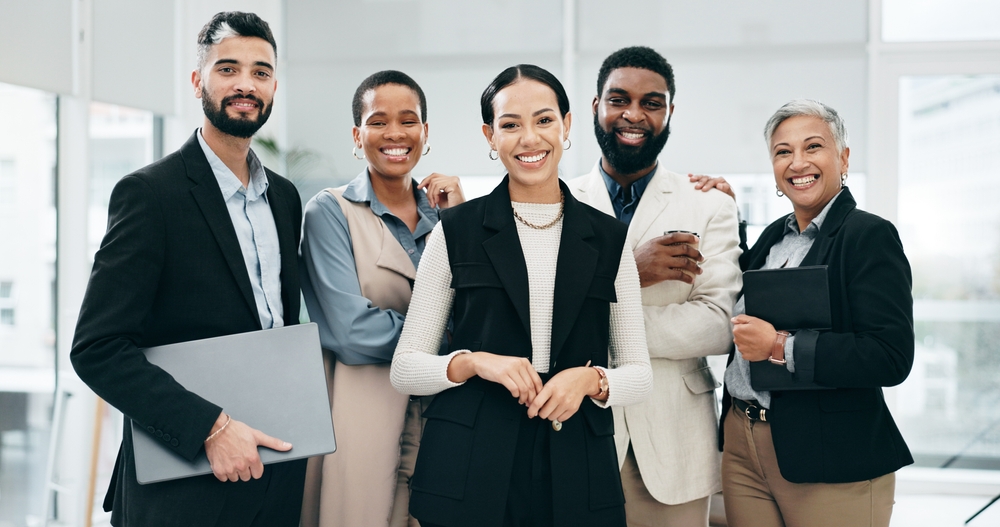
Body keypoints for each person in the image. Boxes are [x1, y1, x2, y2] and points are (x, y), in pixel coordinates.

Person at [70, 11, 307, 527]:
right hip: (183, 484)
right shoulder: (150, 194)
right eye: (228, 69)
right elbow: (97, 349)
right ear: (198, 80)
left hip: (274, 473)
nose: (246, 84)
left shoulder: (285, 200)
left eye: (261, 72)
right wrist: (211, 428)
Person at [389, 64, 653, 527]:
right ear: (491, 136)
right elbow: (405, 368)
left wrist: (590, 381)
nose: (529, 138)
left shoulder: (610, 238)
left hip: (577, 464)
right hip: (470, 464)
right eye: (510, 125)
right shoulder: (455, 232)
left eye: (544, 120)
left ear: (567, 125)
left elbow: (640, 374)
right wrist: (474, 361)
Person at [715, 100, 913, 527]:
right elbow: (752, 293)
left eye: (813, 147)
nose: (797, 162)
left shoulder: (869, 236)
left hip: (831, 453)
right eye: (782, 151)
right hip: (743, 441)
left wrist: (778, 347)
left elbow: (890, 355)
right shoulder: (774, 235)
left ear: (842, 158)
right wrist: (724, 212)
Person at [567, 46, 742, 527]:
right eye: (619, 99)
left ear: (669, 113)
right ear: (596, 107)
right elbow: (536, 316)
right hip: (574, 434)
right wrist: (627, 271)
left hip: (674, 442)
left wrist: (591, 320)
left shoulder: (709, 206)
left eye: (652, 102)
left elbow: (718, 326)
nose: (634, 114)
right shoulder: (557, 203)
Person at [298, 70, 464, 527]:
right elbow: (350, 330)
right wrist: (455, 346)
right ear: (357, 135)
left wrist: (461, 223)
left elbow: (481, 308)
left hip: (444, 415)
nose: (395, 133)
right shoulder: (329, 212)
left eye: (408, 121)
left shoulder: (450, 216)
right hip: (362, 413)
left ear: (425, 133)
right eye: (378, 121)